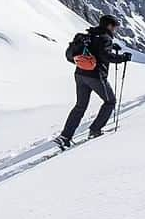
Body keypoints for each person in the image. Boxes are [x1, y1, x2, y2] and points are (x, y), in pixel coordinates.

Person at [55, 14, 130, 149]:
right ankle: (95, 130)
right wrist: (123, 58)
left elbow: (94, 50)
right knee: (110, 101)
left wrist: (112, 48)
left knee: (80, 106)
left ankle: (65, 136)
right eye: (115, 27)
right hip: (96, 76)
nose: (115, 30)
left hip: (80, 74)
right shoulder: (105, 38)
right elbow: (105, 56)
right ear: (109, 26)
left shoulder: (89, 35)